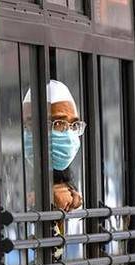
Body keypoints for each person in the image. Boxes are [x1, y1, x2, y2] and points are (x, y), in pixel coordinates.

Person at [23, 80, 85, 212]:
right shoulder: (7, 185)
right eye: (59, 124)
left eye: (73, 125)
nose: (68, 133)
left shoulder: (75, 196)